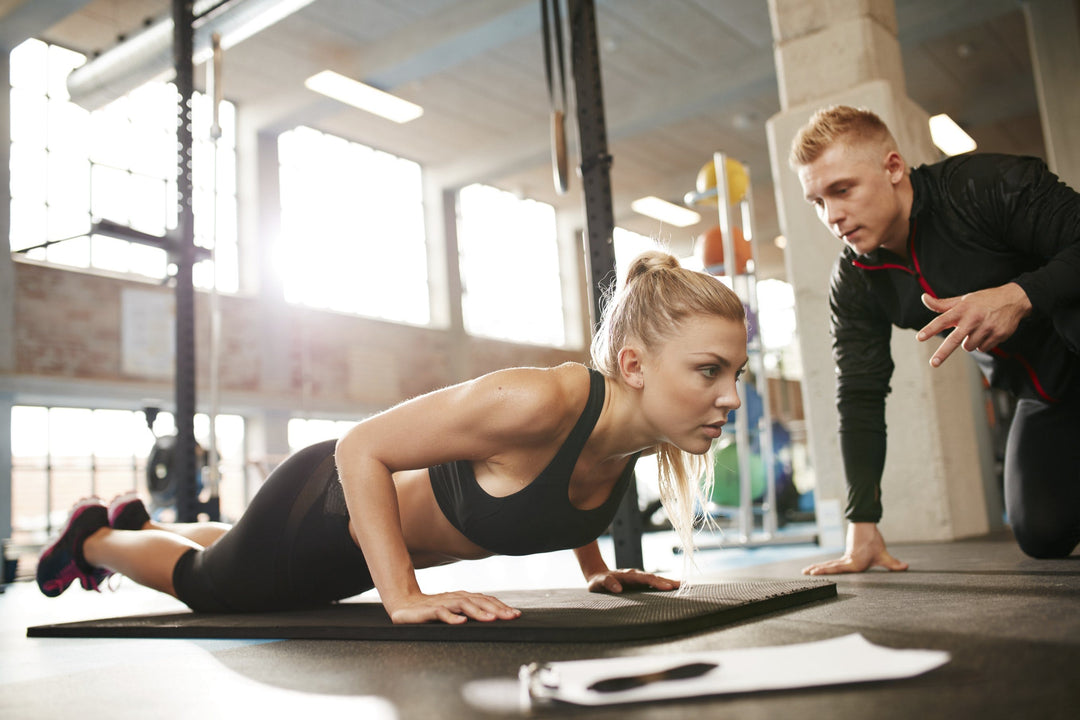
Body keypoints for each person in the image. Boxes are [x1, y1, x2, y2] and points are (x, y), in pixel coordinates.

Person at [36, 250, 748, 625]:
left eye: (736, 372)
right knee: (209, 585)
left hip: (363, 553)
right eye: (709, 370)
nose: (732, 396)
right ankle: (95, 537)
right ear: (634, 365)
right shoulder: (539, 399)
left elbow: (558, 484)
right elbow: (359, 448)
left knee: (235, 547)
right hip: (327, 512)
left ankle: (145, 525)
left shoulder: (637, 433)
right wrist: (402, 595)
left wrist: (594, 569)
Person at [790, 105, 1080, 575]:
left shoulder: (982, 186)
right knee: (1041, 533)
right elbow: (860, 392)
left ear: (893, 168)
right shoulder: (857, 278)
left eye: (842, 190)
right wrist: (862, 521)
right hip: (1045, 394)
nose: (833, 216)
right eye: (818, 202)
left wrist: (1019, 295)